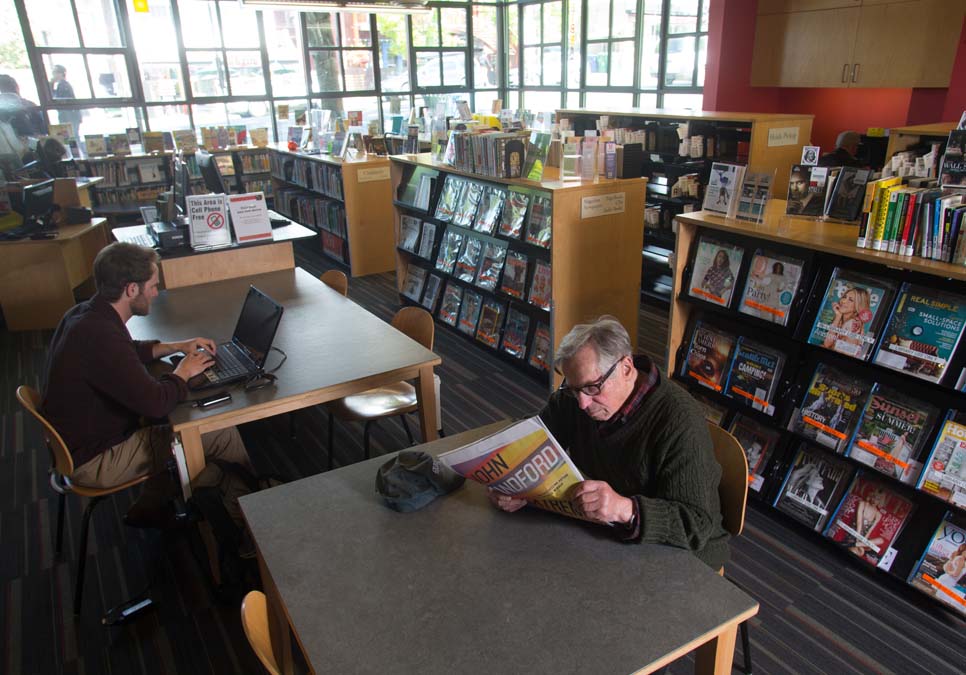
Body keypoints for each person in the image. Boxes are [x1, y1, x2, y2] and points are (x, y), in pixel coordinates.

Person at [488, 317, 730, 571]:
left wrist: (624, 508)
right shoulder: (577, 396)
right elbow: (535, 436)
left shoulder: (678, 419)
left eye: (592, 388)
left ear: (626, 368)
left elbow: (696, 525)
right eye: (572, 389)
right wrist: (508, 480)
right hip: (610, 537)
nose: (582, 403)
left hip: (683, 554)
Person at [43, 242, 253, 525]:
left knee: (177, 424)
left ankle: (154, 503)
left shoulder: (85, 314)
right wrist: (182, 372)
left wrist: (174, 346)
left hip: (79, 440)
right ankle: (247, 528)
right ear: (131, 290)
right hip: (95, 459)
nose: (156, 292)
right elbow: (156, 403)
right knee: (219, 431)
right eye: (153, 286)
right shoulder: (100, 335)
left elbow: (124, 350)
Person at [823, 286, 872, 351]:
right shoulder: (842, 320)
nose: (843, 301)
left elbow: (845, 352)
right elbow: (827, 344)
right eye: (844, 297)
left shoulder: (852, 323)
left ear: (858, 306)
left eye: (850, 300)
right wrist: (838, 316)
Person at [0, 73, 47, 141]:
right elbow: (43, 129)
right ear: (16, 87)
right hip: (34, 142)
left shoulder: (27, 105)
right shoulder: (29, 104)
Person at [49, 64, 82, 137]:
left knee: (72, 137)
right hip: (69, 115)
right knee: (73, 137)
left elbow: (56, 99)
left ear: (60, 74)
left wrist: (51, 84)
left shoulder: (63, 85)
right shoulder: (62, 85)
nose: (53, 75)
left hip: (69, 115)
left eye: (54, 72)